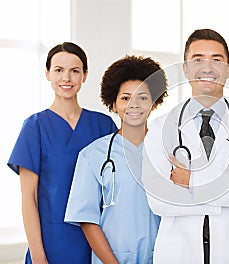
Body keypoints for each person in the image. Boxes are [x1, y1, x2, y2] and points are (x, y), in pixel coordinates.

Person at [142, 29, 229, 263]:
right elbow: (159, 201)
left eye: (216, 60)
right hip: (181, 250)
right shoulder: (162, 127)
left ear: (228, 69)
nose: (207, 67)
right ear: (185, 68)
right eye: (198, 59)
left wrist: (192, 180)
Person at [7, 42, 117, 263]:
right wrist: (38, 254)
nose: (66, 78)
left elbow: (116, 188)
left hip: (97, 240)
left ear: (85, 75)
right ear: (47, 74)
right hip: (51, 243)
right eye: (58, 70)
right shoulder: (35, 127)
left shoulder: (103, 125)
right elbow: (29, 198)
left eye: (74, 71)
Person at [64, 55, 168, 263]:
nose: (134, 105)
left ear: (154, 103)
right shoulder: (93, 155)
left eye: (143, 98)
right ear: (113, 103)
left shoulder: (168, 151)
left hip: (164, 256)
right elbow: (87, 221)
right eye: (125, 98)